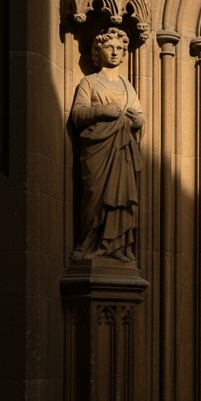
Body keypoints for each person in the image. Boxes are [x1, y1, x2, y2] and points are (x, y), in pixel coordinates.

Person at [70, 27, 145, 262]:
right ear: (98, 50)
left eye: (120, 49)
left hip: (122, 151)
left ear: (124, 54)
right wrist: (103, 110)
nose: (115, 52)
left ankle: (118, 246)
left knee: (121, 198)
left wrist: (136, 119)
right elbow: (77, 114)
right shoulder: (89, 82)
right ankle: (89, 244)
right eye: (109, 47)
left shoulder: (127, 86)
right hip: (98, 150)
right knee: (95, 196)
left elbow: (140, 117)